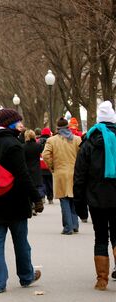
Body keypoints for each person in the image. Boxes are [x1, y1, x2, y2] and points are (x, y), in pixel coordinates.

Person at [0, 109, 43, 293]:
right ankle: (26, 276)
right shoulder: (14, 145)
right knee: (21, 241)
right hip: (15, 202)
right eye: (18, 122)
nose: (21, 125)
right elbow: (23, 175)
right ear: (9, 123)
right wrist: (36, 197)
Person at [73, 100, 116, 290]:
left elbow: (80, 176)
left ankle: (102, 280)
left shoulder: (88, 143)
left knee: (100, 237)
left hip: (96, 198)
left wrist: (79, 205)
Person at [42, 118, 82, 235]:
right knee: (73, 199)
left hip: (60, 173)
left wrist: (52, 166)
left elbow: (45, 155)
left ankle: (67, 227)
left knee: (64, 199)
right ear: (68, 127)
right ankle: (75, 225)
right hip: (74, 173)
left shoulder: (52, 140)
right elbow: (82, 155)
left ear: (57, 128)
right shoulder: (77, 139)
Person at [23, 130, 44, 215]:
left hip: (27, 170)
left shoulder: (23, 147)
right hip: (36, 169)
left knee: (28, 189)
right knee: (36, 188)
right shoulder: (38, 146)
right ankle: (37, 205)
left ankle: (30, 206)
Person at [38, 127, 53, 204]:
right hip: (49, 165)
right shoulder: (51, 141)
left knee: (42, 182)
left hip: (40, 165)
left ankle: (43, 197)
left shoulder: (38, 142)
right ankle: (50, 198)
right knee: (50, 182)